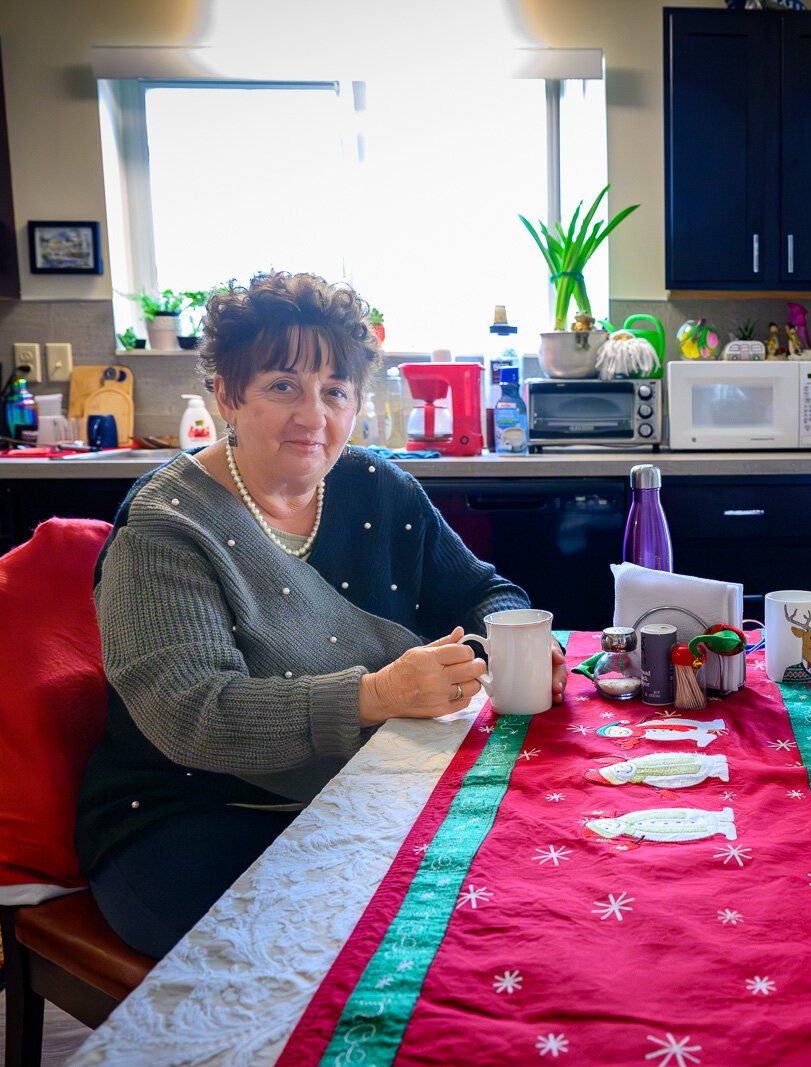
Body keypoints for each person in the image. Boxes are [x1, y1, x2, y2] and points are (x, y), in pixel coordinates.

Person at [76, 271, 567, 958]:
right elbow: (196, 716)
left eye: (335, 390)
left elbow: (487, 591)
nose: (314, 416)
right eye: (283, 385)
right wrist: (378, 695)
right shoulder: (166, 528)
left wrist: (517, 643)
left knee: (511, 906)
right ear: (226, 393)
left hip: (363, 788)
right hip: (188, 817)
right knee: (366, 959)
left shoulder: (376, 484)